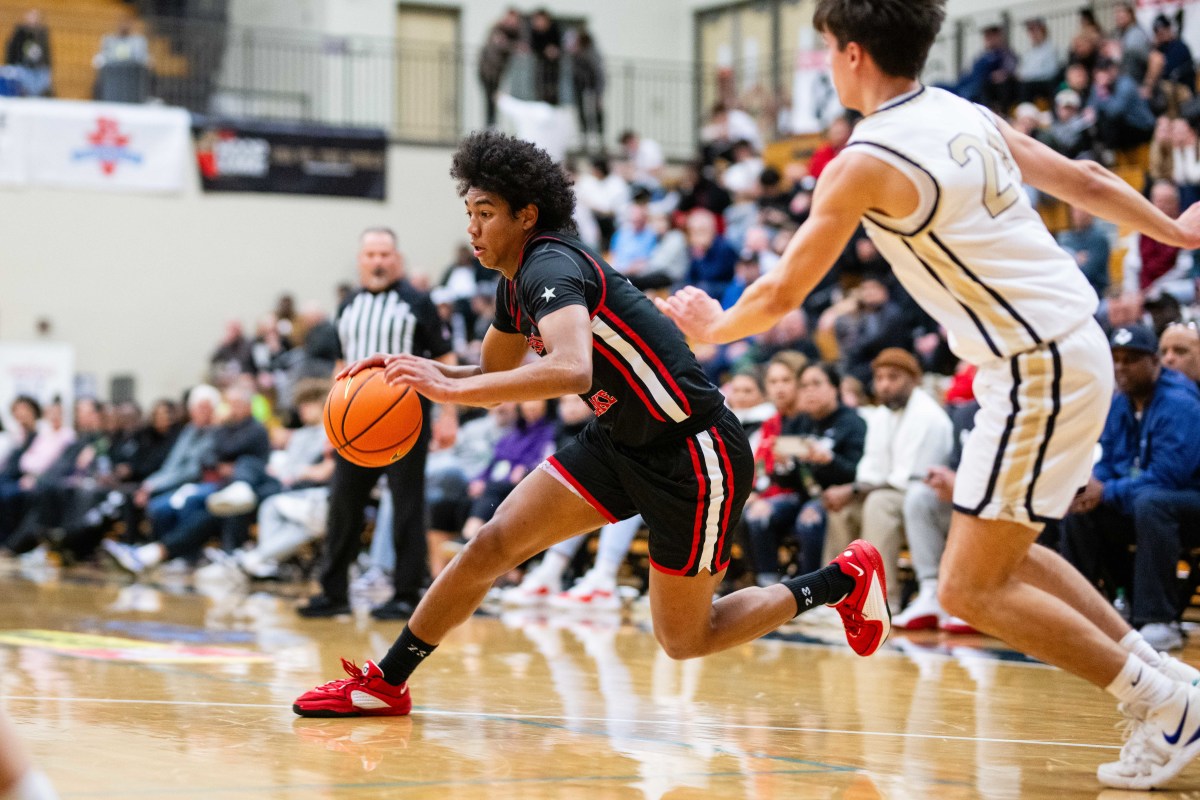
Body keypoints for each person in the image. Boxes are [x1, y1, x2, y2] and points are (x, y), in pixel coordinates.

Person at [655, 0, 1200, 790]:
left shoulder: (864, 159)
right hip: (1061, 345)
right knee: (1009, 553)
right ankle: (1169, 685)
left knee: (970, 585)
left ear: (849, 56)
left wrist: (715, 326)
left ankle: (1164, 704)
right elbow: (1080, 179)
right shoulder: (962, 111)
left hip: (1034, 360)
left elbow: (782, 293)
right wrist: (1175, 232)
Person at [292, 130, 890, 719]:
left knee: (686, 638)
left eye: (485, 212)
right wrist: (429, 369)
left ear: (526, 216)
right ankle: (386, 683)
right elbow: (492, 369)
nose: (471, 227)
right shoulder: (514, 281)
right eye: (468, 212)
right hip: (618, 442)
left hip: (693, 453)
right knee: (491, 544)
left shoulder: (549, 264)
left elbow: (573, 370)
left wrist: (453, 390)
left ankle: (840, 580)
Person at [297, 228, 455, 620]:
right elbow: (340, 367)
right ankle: (333, 593)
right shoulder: (348, 304)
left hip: (405, 418)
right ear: (361, 260)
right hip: (354, 424)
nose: (379, 261)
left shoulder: (417, 302)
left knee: (406, 506)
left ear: (396, 259)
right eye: (371, 254)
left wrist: (448, 413)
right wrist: (328, 428)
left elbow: (446, 357)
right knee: (343, 506)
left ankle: (406, 593)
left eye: (385, 253)